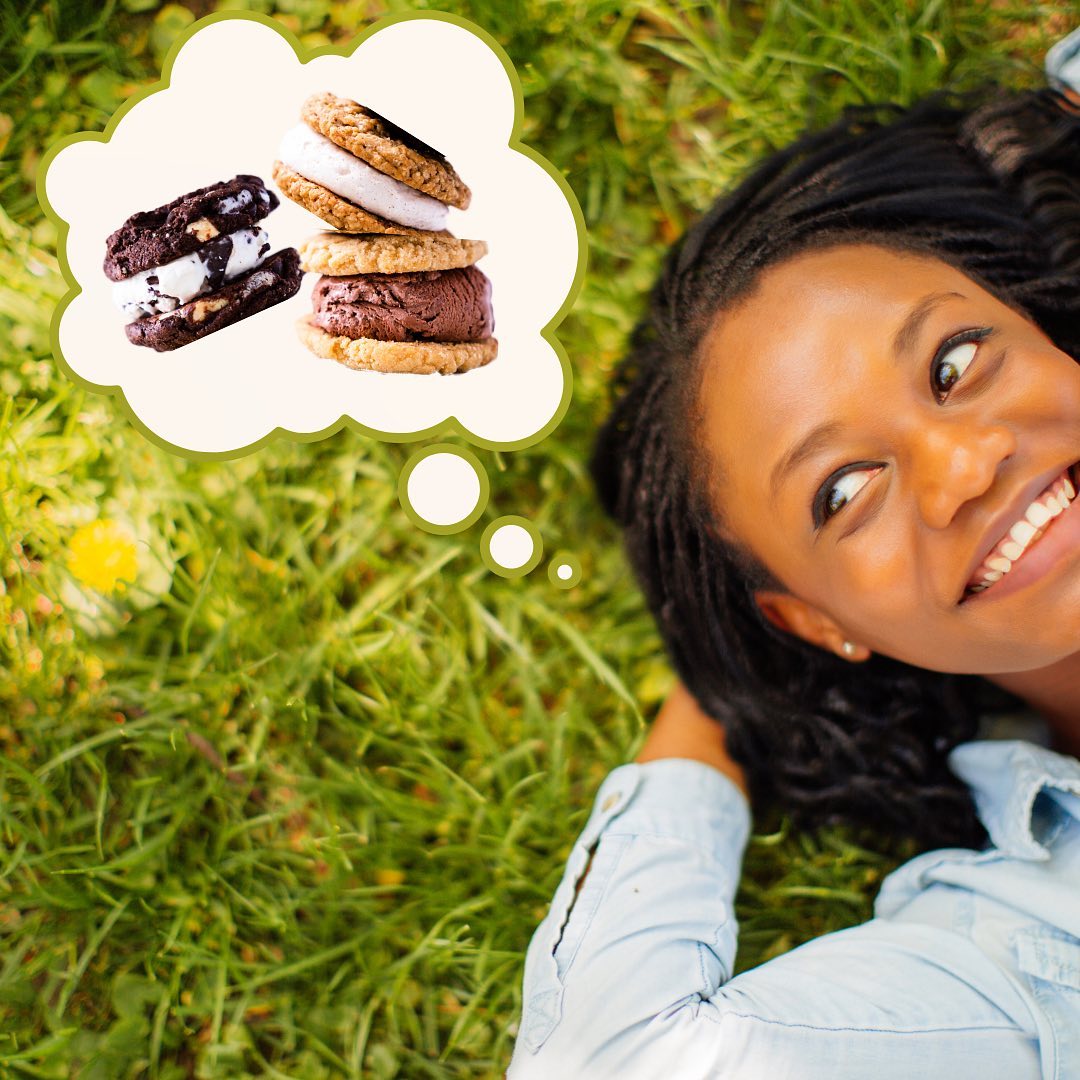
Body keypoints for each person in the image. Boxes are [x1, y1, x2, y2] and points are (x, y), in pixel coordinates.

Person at [506, 54, 1080, 1080]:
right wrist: (732, 686)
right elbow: (613, 1061)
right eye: (844, 492)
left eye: (953, 363)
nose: (961, 468)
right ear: (819, 621)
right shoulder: (1032, 937)